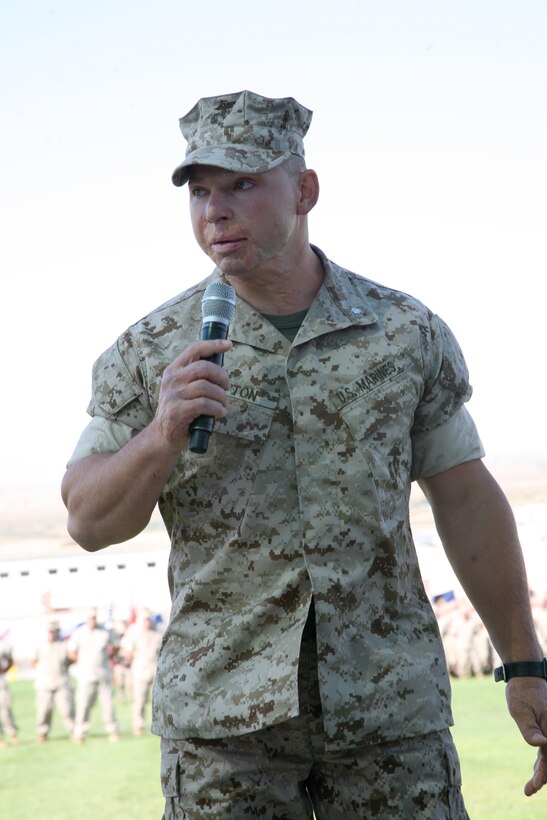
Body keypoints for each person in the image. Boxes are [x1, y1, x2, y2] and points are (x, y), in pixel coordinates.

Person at [61, 90, 547, 817]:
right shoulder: (151, 351)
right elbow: (88, 522)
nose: (214, 211)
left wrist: (525, 663)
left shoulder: (400, 331)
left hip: (388, 719)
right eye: (199, 192)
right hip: (226, 731)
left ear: (306, 189)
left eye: (242, 185)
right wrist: (161, 435)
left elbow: (466, 499)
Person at [68, 608, 119, 743]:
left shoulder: (105, 632)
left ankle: (112, 730)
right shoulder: (79, 633)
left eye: (94, 618)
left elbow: (116, 646)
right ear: (86, 619)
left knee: (107, 704)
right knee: (83, 705)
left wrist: (109, 657)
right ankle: (79, 732)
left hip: (103, 673)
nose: (92, 620)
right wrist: (81, 662)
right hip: (86, 674)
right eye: (90, 618)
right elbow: (71, 651)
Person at [32, 618, 75, 742]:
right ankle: (42, 733)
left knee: (67, 710)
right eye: (50, 631)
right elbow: (33, 661)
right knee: (43, 711)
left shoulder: (64, 644)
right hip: (44, 683)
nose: (52, 633)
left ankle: (73, 731)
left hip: (62, 682)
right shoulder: (40, 645)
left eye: (54, 631)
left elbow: (71, 660)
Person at [121, 608, 163, 736]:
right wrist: (129, 654)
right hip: (140, 669)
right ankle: (138, 725)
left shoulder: (157, 632)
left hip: (155, 668)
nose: (147, 623)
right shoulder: (134, 632)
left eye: (149, 620)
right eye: (145, 620)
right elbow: (126, 648)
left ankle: (161, 724)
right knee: (139, 700)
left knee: (160, 699)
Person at [0, 634, 18, 747]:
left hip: (1, 683)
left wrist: (4, 670)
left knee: (6, 710)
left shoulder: (3, 646)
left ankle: (13, 734)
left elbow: (10, 660)